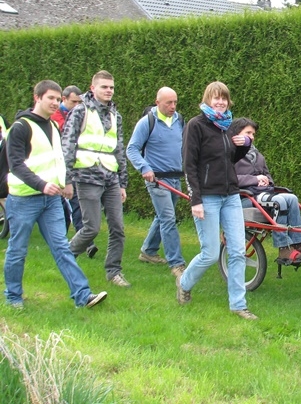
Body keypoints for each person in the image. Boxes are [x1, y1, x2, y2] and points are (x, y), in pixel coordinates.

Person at [3, 79, 107, 309]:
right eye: (51, 98)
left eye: (58, 99)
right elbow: (16, 165)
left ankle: (83, 296)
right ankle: (13, 297)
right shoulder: (20, 127)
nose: (55, 103)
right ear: (37, 97)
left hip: (50, 199)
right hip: (23, 200)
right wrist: (41, 185)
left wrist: (66, 183)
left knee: (61, 247)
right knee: (18, 249)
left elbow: (58, 160)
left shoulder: (53, 126)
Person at [177, 81, 257, 320]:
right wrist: (195, 200)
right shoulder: (196, 125)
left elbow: (230, 159)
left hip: (231, 196)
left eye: (224, 98)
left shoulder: (227, 127)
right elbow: (189, 165)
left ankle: (238, 305)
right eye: (216, 98)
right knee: (210, 253)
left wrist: (245, 146)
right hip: (207, 198)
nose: (220, 102)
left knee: (237, 251)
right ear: (208, 100)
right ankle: (184, 283)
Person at [61, 70, 130, 287]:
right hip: (86, 175)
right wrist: (67, 179)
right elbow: (68, 144)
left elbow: (119, 149)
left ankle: (114, 272)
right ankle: (66, 260)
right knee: (91, 227)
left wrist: (123, 182)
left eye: (111, 87)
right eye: (104, 87)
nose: (109, 91)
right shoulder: (80, 111)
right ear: (93, 88)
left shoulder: (115, 115)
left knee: (118, 227)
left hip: (110, 177)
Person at [228, 117, 301, 263]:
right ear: (237, 134)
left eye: (253, 134)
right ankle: (283, 249)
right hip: (245, 198)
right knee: (279, 201)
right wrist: (255, 180)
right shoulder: (231, 154)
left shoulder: (258, 156)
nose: (252, 137)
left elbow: (268, 177)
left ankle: (298, 244)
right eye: (248, 133)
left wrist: (266, 180)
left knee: (292, 198)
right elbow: (230, 178)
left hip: (263, 194)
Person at [126, 87, 187, 278]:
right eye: (168, 102)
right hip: (157, 180)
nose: (173, 106)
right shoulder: (147, 122)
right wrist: (144, 168)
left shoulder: (180, 121)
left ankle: (148, 251)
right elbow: (132, 149)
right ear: (157, 102)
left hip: (175, 177)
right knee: (168, 218)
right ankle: (176, 263)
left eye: (175, 102)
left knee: (162, 217)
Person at [51, 85, 98, 258]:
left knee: (74, 206)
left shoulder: (79, 114)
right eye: (74, 101)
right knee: (66, 208)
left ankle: (82, 243)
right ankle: (69, 244)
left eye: (80, 101)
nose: (78, 104)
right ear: (64, 100)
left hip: (75, 168)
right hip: (57, 168)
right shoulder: (56, 117)